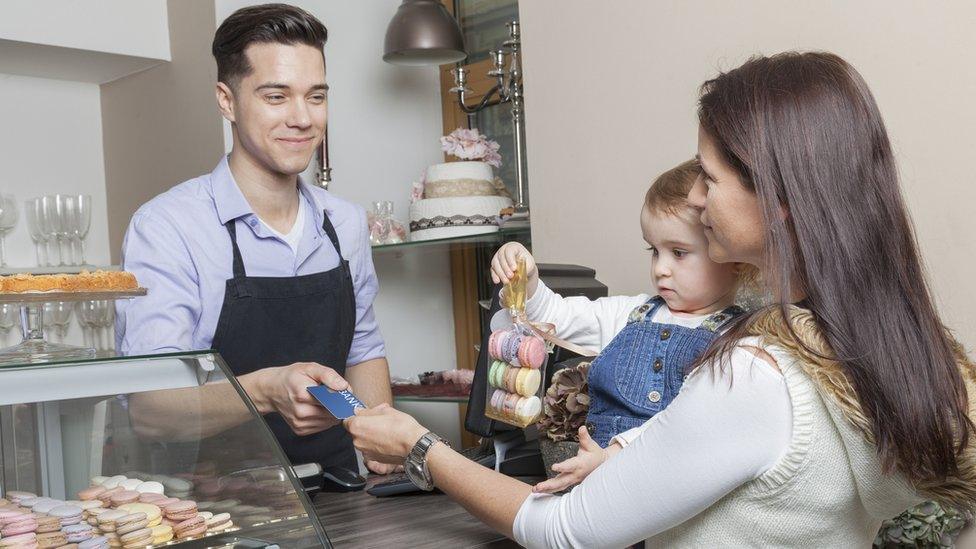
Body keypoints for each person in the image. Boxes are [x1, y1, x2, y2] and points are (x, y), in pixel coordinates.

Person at [344, 51, 976, 547]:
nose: (697, 199)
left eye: (709, 175)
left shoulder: (754, 376)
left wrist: (420, 448)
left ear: (778, 201)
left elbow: (562, 529)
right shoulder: (866, 348)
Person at [116, 4, 395, 474]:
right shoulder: (168, 227)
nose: (303, 118)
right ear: (226, 100)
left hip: (340, 488)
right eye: (276, 96)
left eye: (316, 96)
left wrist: (383, 446)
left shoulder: (344, 223)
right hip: (216, 510)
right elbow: (152, 408)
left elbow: (363, 351)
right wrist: (265, 390)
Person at [490, 160, 748, 492]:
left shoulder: (735, 341)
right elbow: (557, 319)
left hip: (659, 491)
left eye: (679, 253)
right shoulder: (632, 314)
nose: (661, 269)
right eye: (654, 251)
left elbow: (686, 425)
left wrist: (612, 455)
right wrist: (527, 277)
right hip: (596, 487)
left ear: (731, 257)